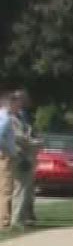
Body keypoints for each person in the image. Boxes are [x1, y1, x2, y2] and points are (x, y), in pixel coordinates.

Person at [7, 90, 37, 228]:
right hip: (19, 155)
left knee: (26, 189)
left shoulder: (21, 117)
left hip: (26, 155)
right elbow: (18, 137)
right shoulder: (9, 118)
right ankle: (16, 219)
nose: (22, 104)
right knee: (20, 188)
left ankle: (23, 217)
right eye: (19, 102)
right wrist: (33, 142)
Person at [0, 90, 18, 232]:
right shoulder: (5, 118)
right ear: (10, 104)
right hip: (5, 157)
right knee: (6, 189)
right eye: (16, 104)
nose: (17, 107)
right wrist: (7, 150)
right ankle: (4, 221)